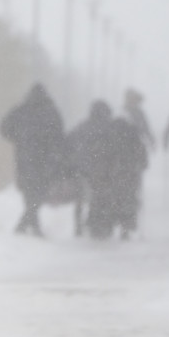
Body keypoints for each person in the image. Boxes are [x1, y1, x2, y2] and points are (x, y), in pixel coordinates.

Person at [0, 83, 65, 237]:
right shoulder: (51, 112)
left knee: (28, 189)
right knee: (40, 189)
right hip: (45, 159)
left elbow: (4, 128)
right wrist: (56, 153)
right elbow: (59, 136)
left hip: (24, 156)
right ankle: (29, 223)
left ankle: (27, 223)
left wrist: (17, 138)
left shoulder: (21, 110)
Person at [67, 100, 115, 239]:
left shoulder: (83, 126)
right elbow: (115, 147)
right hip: (101, 168)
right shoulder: (109, 128)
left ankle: (78, 225)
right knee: (100, 196)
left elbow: (70, 140)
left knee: (80, 197)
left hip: (82, 167)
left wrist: (73, 159)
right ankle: (99, 224)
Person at [108, 117, 148, 240]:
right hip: (131, 173)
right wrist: (142, 164)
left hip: (116, 173)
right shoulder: (133, 137)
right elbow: (142, 153)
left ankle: (118, 223)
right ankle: (127, 224)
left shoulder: (112, 137)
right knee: (130, 198)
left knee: (118, 198)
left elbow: (107, 154)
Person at [124, 88, 155, 152]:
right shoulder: (122, 112)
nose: (133, 102)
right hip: (124, 144)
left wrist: (150, 139)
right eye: (131, 99)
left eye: (134, 100)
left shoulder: (139, 113)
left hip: (136, 143)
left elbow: (145, 127)